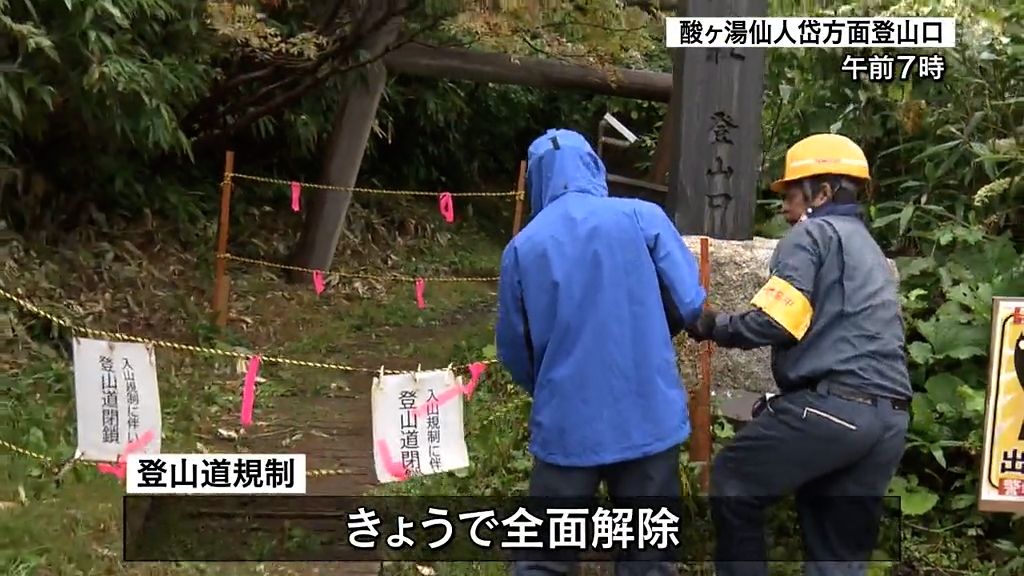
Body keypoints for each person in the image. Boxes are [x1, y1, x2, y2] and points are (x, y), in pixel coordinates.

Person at [685, 133, 912, 576]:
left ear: (822, 193)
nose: (785, 209)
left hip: (836, 408)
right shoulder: (868, 247)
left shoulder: (813, 234)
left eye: (790, 195)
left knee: (733, 479)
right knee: (837, 554)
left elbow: (774, 321)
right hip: (890, 420)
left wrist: (709, 324)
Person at [496, 128, 707, 576]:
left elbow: (514, 348)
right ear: (594, 166)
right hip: (648, 415)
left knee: (544, 558)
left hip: (566, 424)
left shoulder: (523, 247)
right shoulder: (642, 216)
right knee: (648, 558)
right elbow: (690, 302)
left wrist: (551, 385)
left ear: (536, 180)